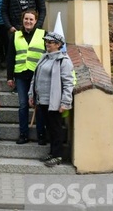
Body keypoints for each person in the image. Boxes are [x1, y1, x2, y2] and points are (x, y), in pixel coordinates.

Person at [29, 32, 74, 167]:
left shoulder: (63, 61)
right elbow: (35, 78)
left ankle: (58, 155)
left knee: (56, 129)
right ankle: (52, 152)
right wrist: (31, 95)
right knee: (49, 128)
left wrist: (65, 102)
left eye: (50, 42)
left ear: (58, 45)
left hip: (54, 102)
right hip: (42, 101)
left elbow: (68, 83)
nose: (47, 43)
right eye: (47, 41)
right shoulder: (44, 57)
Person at [7, 10, 47, 145]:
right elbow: (10, 57)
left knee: (39, 105)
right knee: (23, 104)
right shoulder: (15, 35)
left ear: (35, 21)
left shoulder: (43, 35)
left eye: (31, 19)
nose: (28, 22)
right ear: (22, 20)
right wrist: (9, 77)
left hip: (38, 76)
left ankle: (41, 134)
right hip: (20, 74)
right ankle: (23, 134)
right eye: (26, 19)